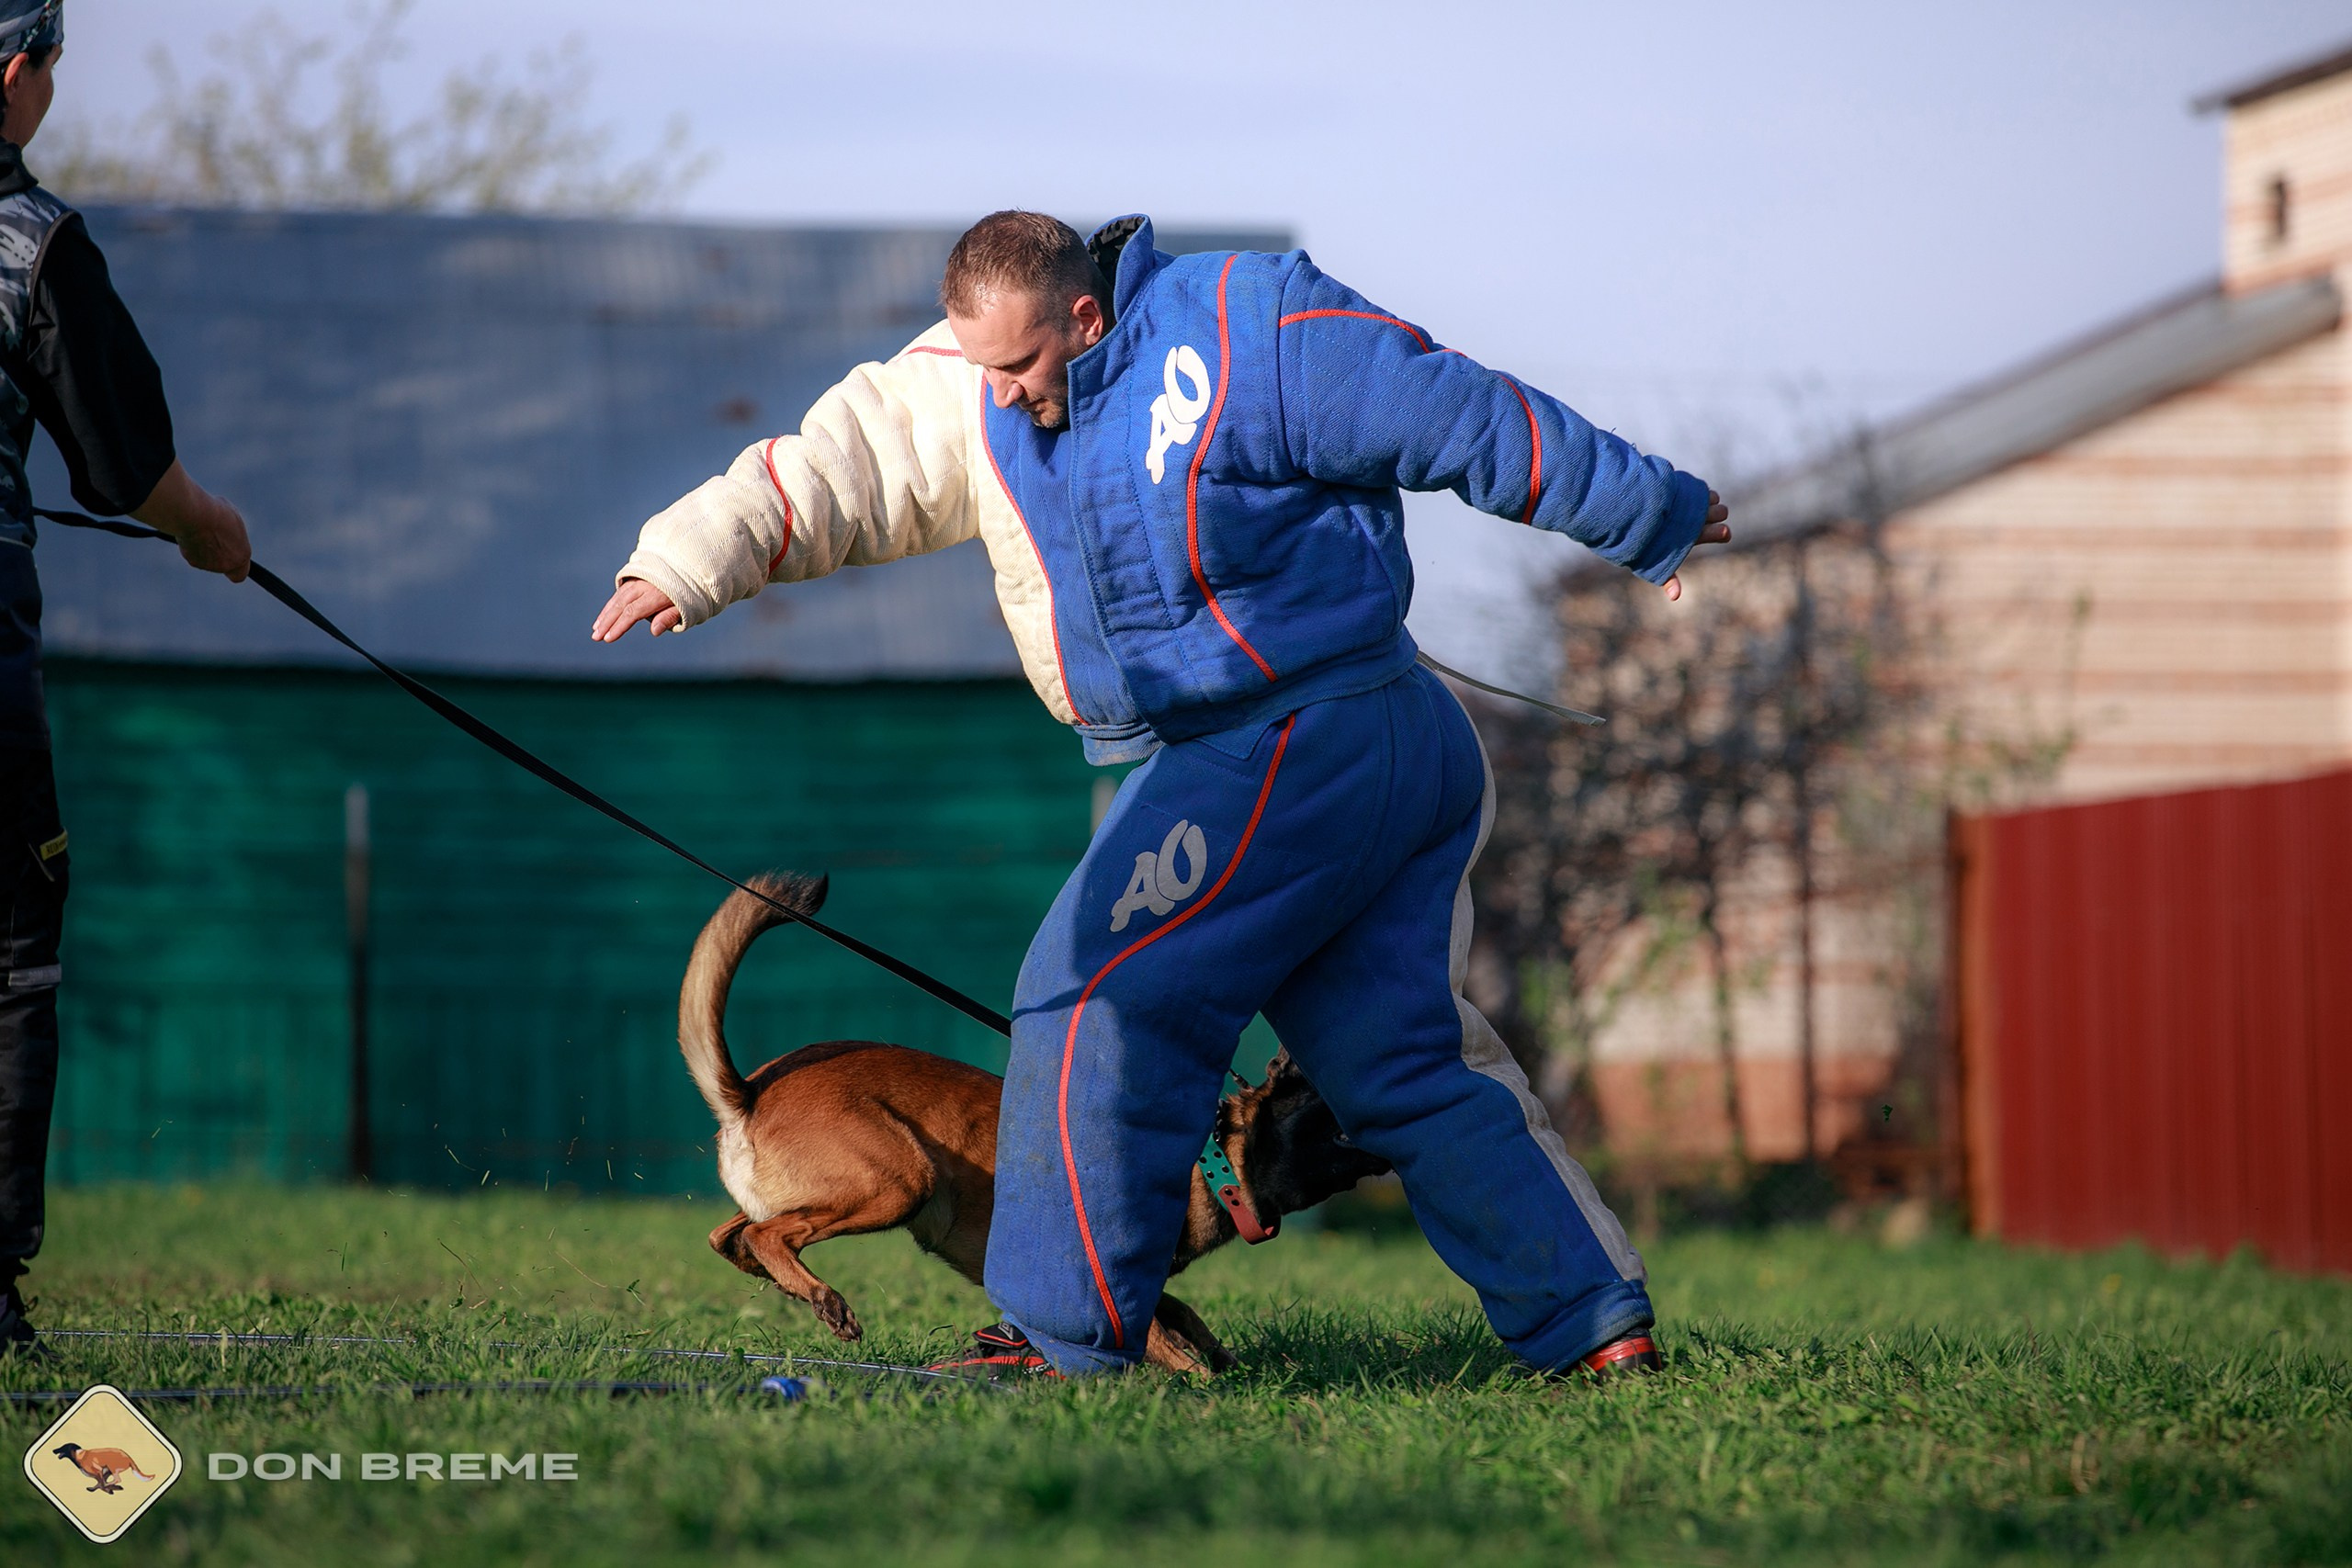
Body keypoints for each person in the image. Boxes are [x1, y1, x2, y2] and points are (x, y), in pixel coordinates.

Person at [596, 210, 1730, 1380]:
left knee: (1090, 997)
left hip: (1289, 737)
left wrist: (1642, 508)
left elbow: (1450, 407)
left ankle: (1057, 1341)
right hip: (1372, 746)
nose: (1001, 393)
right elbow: (845, 463)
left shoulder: (1246, 326)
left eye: (1020, 365)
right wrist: (684, 563)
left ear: (1085, 314)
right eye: (981, 365)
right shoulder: (983, 379)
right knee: (1402, 1064)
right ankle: (1596, 1329)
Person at [0, 1, 254, 1356]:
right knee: (8, 955)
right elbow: (127, 465)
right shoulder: (30, 242)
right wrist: (209, 529)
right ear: (17, 70)